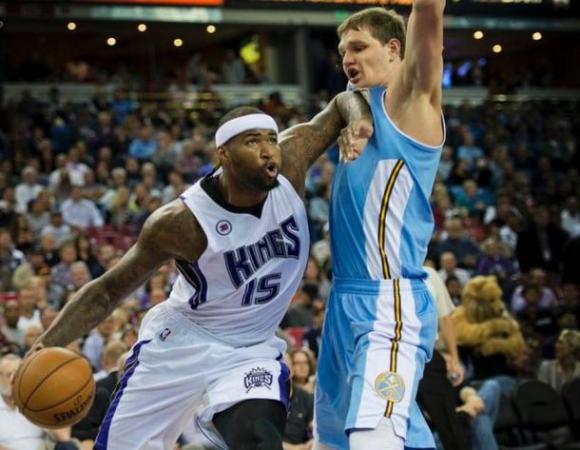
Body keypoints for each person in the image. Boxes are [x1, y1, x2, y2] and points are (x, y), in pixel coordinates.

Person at [19, 97, 372, 450]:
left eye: (270, 139)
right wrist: (44, 345)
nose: (268, 151)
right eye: (252, 142)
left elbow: (343, 102)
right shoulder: (180, 223)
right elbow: (107, 290)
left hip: (251, 348)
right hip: (182, 343)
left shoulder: (292, 161)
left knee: (257, 439)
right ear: (224, 154)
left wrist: (358, 121)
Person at [315, 3, 446, 449]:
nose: (347, 58)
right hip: (343, 299)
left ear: (395, 50)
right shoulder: (355, 107)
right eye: (342, 51)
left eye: (358, 47)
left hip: (388, 300)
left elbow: (428, 18)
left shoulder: (411, 103)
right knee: (339, 438)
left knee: (373, 434)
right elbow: (343, 99)